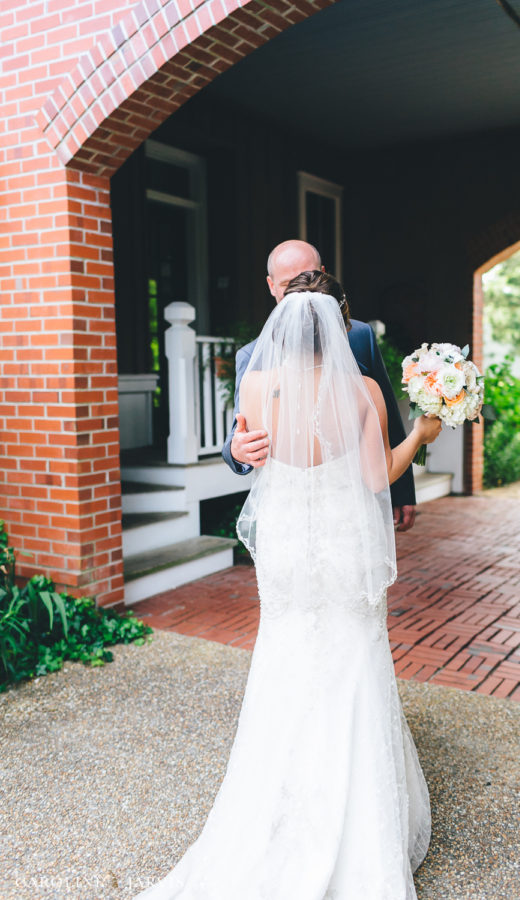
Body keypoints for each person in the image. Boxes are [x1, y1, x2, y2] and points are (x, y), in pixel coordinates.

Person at [132, 271, 441, 899]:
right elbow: (377, 478)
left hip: (289, 552)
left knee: (286, 664)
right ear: (337, 322)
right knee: (353, 663)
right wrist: (422, 434)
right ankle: (355, 816)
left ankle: (276, 808)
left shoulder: (256, 382)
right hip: (342, 545)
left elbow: (251, 451)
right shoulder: (361, 393)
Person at [222, 239, 418, 532]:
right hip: (288, 515)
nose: (302, 292)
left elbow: (385, 415)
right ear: (272, 285)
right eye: (290, 284)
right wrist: (236, 451)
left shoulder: (360, 336)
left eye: (308, 278)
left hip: (351, 502)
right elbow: (240, 430)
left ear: (323, 275)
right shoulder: (251, 358)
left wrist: (402, 491)